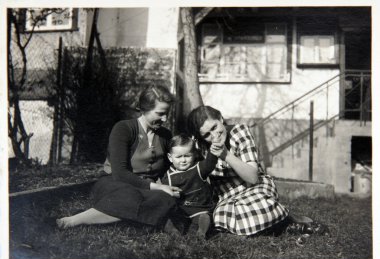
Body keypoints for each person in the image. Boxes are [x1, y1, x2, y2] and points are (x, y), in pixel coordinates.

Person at [57, 85, 183, 232]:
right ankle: (73, 221)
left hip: (147, 189)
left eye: (167, 113)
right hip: (115, 183)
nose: (165, 118)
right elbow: (120, 173)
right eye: (160, 113)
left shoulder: (165, 135)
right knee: (130, 196)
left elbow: (167, 168)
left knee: (165, 198)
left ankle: (133, 220)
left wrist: (167, 186)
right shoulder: (124, 129)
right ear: (143, 109)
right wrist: (158, 187)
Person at [187, 105, 291, 236]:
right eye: (207, 135)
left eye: (214, 127)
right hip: (228, 197)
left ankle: (276, 222)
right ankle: (275, 222)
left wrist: (226, 155)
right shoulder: (201, 148)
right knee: (221, 215)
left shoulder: (239, 132)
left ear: (221, 118)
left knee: (260, 204)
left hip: (254, 187)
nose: (214, 136)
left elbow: (253, 177)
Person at [161, 134, 218, 238]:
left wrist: (214, 147)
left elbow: (210, 162)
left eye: (187, 156)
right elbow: (165, 194)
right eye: (178, 157)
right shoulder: (168, 176)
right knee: (169, 218)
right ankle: (174, 232)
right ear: (170, 157)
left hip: (199, 208)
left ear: (194, 154)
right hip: (181, 210)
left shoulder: (199, 168)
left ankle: (201, 232)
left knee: (204, 217)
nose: (183, 160)